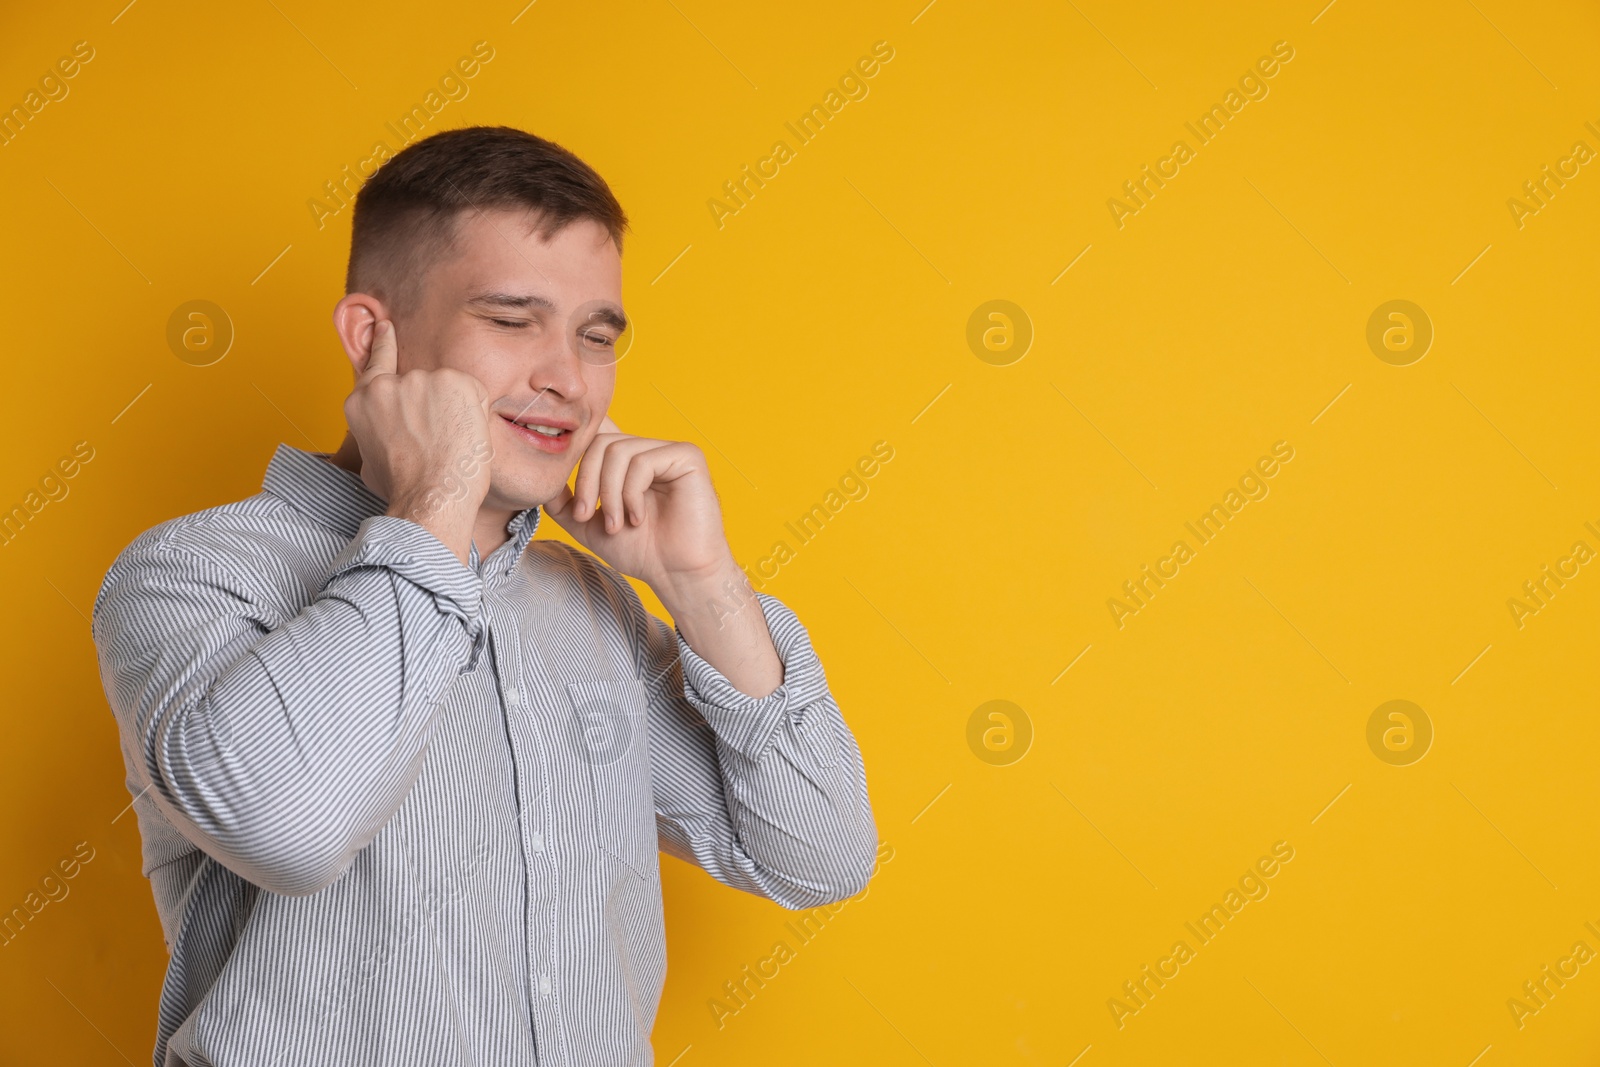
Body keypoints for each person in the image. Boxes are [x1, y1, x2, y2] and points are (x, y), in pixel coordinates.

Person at [91, 125, 878, 1066]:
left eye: (596, 335)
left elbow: (818, 855)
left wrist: (701, 586)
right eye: (512, 320)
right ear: (370, 336)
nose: (569, 379)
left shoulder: (592, 607)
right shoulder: (191, 572)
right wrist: (435, 499)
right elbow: (292, 830)